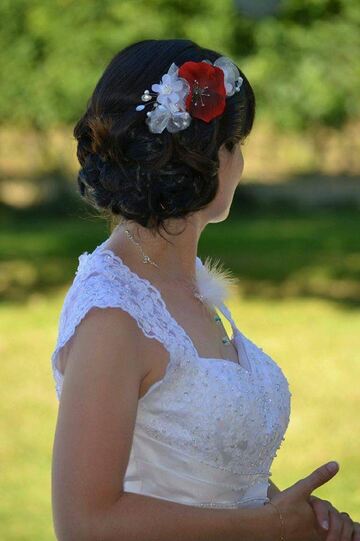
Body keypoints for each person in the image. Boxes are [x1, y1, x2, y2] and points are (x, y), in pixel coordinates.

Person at [50, 39, 359, 541]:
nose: (241, 161)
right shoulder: (113, 315)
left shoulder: (181, 282)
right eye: (236, 144)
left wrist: (298, 518)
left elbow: (200, 469)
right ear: (204, 159)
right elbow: (85, 523)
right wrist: (267, 528)